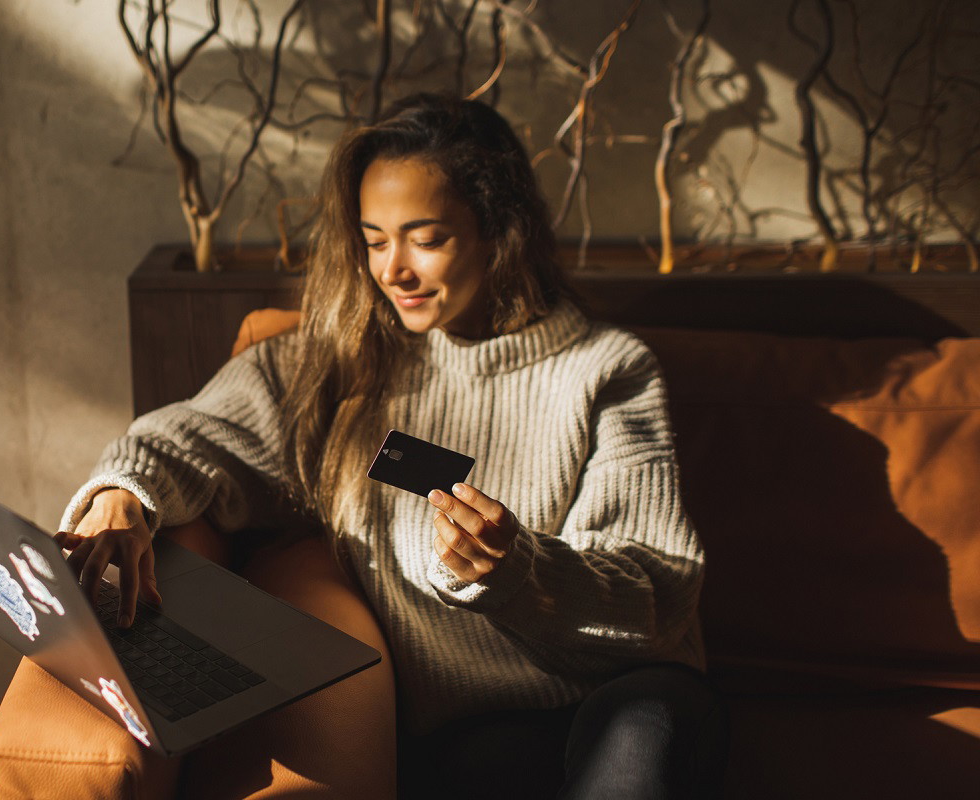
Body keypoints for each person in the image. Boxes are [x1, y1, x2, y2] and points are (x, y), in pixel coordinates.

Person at [53, 93, 726, 799]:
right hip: (474, 728)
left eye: (425, 238)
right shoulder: (345, 366)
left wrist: (519, 573)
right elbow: (193, 433)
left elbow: (656, 597)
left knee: (638, 745)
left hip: (624, 695)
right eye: (375, 240)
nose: (392, 270)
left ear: (500, 232)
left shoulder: (607, 369)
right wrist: (122, 496)